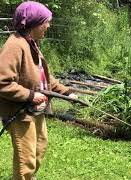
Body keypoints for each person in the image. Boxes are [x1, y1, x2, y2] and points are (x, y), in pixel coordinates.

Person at [0, 1, 77, 179]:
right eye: (46, 22)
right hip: (20, 113)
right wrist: (30, 95)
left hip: (35, 110)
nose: (48, 26)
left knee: (38, 149)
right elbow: (2, 82)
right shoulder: (15, 45)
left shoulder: (31, 44)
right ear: (35, 23)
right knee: (25, 159)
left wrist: (66, 92)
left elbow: (44, 78)